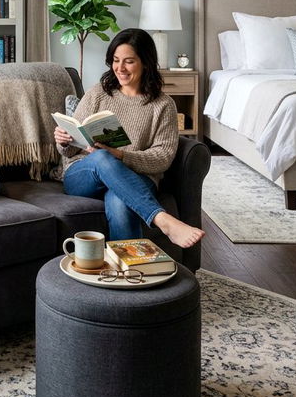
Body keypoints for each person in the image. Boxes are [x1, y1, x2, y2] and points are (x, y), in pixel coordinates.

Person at [55, 27, 205, 248]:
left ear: (145, 62)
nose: (120, 68)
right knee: (102, 159)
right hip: (84, 175)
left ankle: (129, 273)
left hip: (135, 178)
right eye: (116, 60)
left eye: (129, 61)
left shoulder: (163, 105)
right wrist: (64, 139)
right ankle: (163, 220)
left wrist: (120, 155)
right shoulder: (99, 93)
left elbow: (162, 157)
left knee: (119, 200)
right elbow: (69, 151)